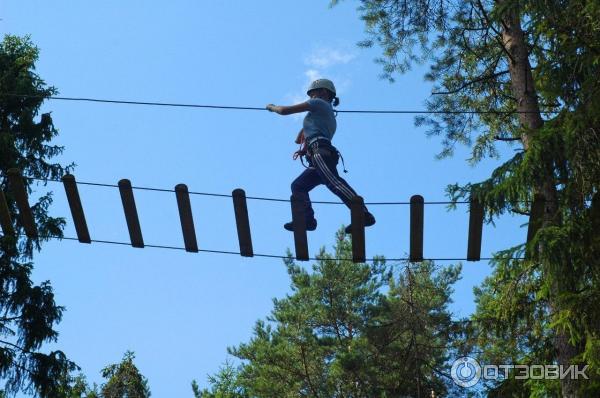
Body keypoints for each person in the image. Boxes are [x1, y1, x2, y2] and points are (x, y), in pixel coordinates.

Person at [266, 78, 375, 234]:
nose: (311, 98)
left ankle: (363, 213)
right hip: (317, 153)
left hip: (320, 152)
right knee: (299, 186)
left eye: (313, 94)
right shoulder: (325, 112)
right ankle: (307, 220)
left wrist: (272, 107)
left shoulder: (319, 104)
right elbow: (299, 138)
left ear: (323, 92)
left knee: (333, 182)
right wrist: (304, 142)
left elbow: (284, 111)